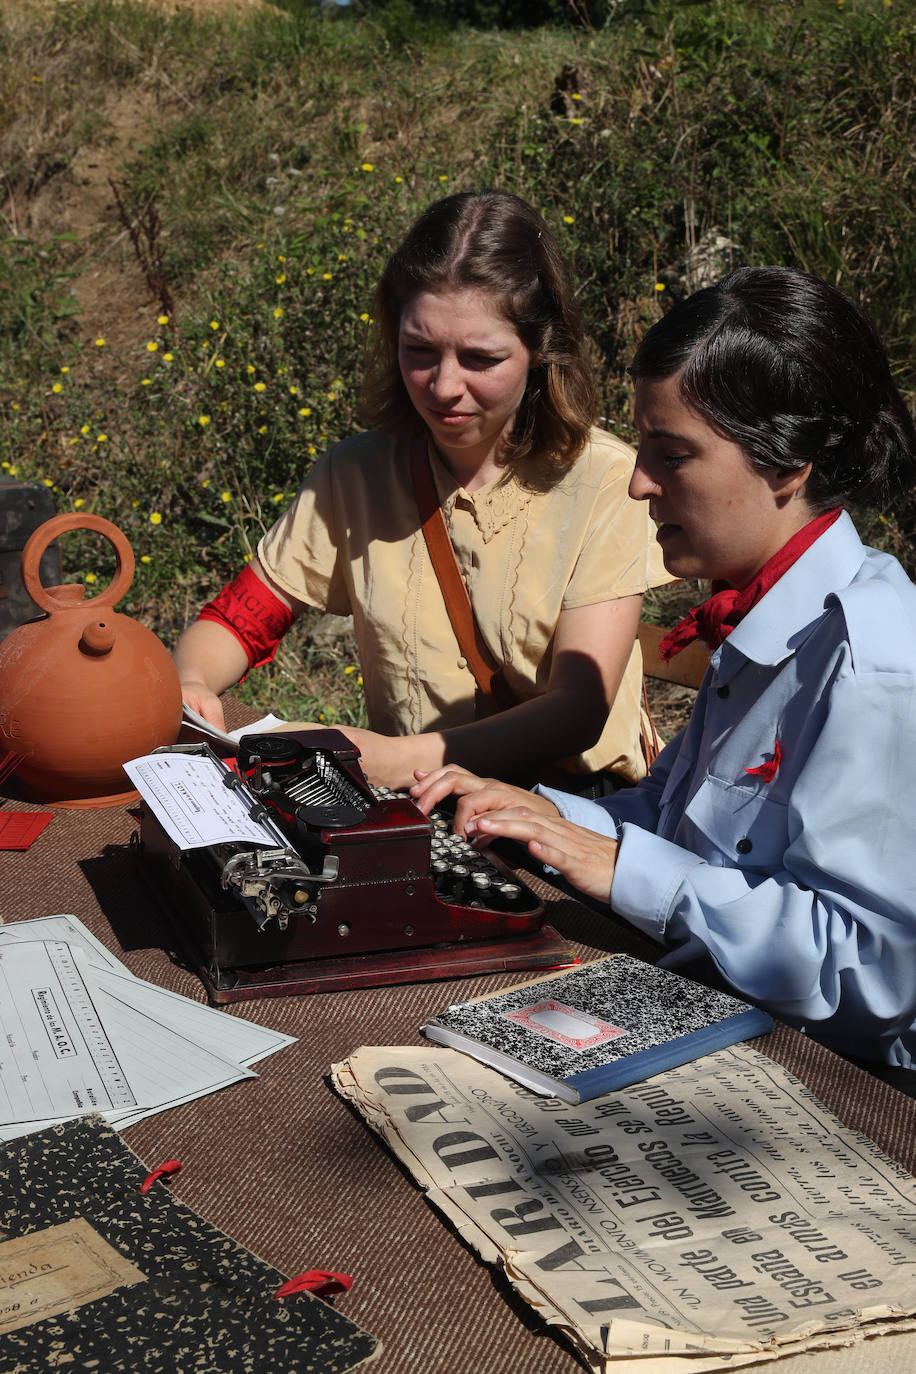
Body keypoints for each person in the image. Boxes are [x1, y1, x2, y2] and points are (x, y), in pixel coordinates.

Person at [412, 265, 916, 1077]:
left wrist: (617, 867)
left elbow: (867, 970)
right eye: (641, 444)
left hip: (837, 1082)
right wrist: (533, 815)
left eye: (672, 453)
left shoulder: (874, 667)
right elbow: (678, 821)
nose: (640, 481)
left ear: (787, 464)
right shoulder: (758, 614)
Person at [174, 191, 667, 791]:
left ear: (541, 349)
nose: (444, 386)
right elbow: (242, 619)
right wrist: (193, 682)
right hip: (419, 806)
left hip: (571, 810)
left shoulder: (606, 482)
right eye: (419, 351)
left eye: (481, 358)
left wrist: (388, 758)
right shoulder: (354, 474)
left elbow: (577, 712)